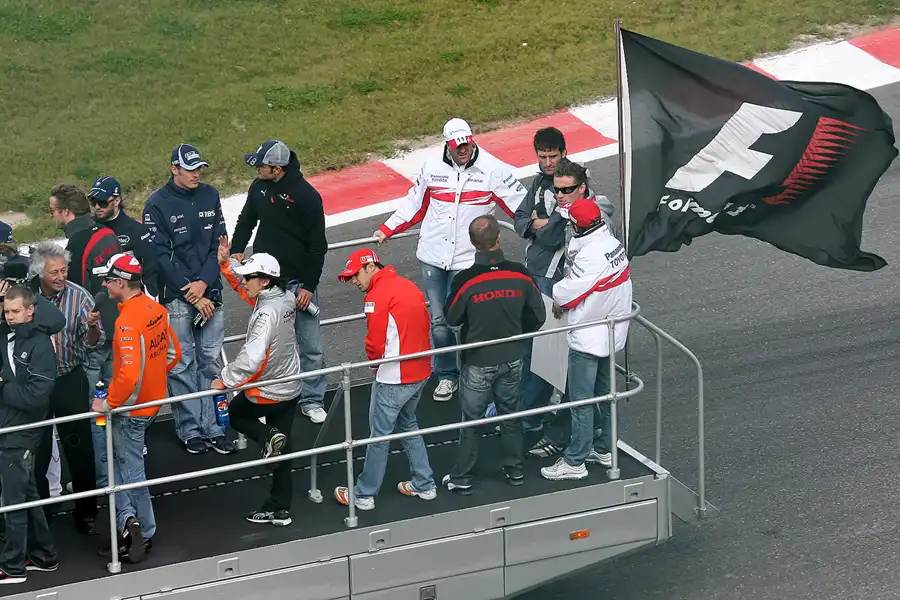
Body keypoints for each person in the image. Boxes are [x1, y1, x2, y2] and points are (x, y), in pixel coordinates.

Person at [373, 118, 528, 403]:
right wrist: (387, 228)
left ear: (472, 140)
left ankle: (475, 373)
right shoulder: (432, 168)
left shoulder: (492, 169)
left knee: (470, 319)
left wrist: (539, 228)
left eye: (467, 144)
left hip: (467, 261)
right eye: (458, 146)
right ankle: (447, 375)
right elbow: (414, 205)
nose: (463, 150)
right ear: (448, 144)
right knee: (439, 321)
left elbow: (521, 204)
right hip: (432, 257)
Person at [441, 216, 546, 493]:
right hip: (512, 357)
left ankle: (462, 476)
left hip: (477, 360)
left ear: (473, 244)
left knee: (471, 420)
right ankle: (515, 470)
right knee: (510, 415)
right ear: (499, 238)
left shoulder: (465, 280)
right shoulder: (520, 274)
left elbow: (451, 318)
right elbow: (539, 315)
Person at [143, 144, 235, 455]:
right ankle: (190, 429)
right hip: (178, 297)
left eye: (199, 168)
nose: (196, 173)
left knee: (210, 362)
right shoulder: (155, 204)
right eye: (190, 168)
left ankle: (214, 426)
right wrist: (190, 290)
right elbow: (160, 257)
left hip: (210, 291)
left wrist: (204, 284)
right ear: (174, 169)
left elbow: (218, 246)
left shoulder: (211, 194)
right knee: (181, 365)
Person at [230, 140, 328, 425]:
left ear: (278, 168)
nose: (257, 168)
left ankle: (313, 399)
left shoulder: (307, 196)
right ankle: (265, 400)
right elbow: (246, 219)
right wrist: (238, 247)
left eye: (261, 165)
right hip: (267, 284)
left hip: (300, 283)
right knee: (266, 345)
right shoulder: (258, 187)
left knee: (310, 346)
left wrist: (309, 285)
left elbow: (318, 245)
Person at [92, 254, 180, 563]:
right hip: (153, 403)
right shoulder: (156, 309)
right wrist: (153, 381)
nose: (105, 285)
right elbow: (173, 353)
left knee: (130, 472)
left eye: (108, 280)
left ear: (119, 283)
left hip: (131, 410)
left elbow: (128, 375)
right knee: (129, 466)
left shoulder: (127, 322)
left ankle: (144, 532)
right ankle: (131, 526)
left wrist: (107, 404)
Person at [333, 248, 436, 511]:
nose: (354, 281)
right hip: (421, 371)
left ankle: (364, 494)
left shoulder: (377, 296)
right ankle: (425, 485)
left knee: (379, 436)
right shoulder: (407, 285)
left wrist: (375, 366)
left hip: (394, 376)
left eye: (355, 275)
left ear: (370, 267)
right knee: (409, 425)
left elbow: (375, 343)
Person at [539, 199, 632, 481]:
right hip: (611, 331)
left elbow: (566, 293)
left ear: (577, 225)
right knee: (607, 396)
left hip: (588, 337)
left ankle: (575, 460)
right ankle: (604, 448)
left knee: (581, 402)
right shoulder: (611, 242)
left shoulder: (590, 255)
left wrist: (557, 294)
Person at [212, 240, 301, 526]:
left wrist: (225, 380)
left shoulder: (265, 313)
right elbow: (243, 287)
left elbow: (251, 360)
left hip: (267, 388)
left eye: (249, 277)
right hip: (292, 383)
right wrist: (227, 266)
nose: (244, 281)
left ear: (263, 280)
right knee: (283, 447)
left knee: (235, 414)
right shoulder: (283, 296)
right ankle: (280, 508)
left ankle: (266, 436)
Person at [29, 242, 102, 536]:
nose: (61, 276)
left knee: (80, 448)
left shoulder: (79, 295)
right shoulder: (25, 295)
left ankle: (86, 512)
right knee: (38, 451)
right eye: (54, 272)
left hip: (69, 377)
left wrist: (94, 326)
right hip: (35, 384)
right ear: (39, 273)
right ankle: (43, 514)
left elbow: (92, 342)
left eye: (64, 270)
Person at [0, 284, 64, 584]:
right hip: (10, 427)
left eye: (16, 311)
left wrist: (2, 387)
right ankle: (45, 555)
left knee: (14, 501)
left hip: (23, 431)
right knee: (26, 494)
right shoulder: (8, 338)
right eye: (7, 311)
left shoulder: (40, 345)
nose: (10, 317)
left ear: (30, 310)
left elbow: (36, 396)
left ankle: (13, 566)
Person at [48, 184, 121, 447]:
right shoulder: (107, 233)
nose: (52, 216)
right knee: (118, 405)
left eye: (53, 210)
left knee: (96, 412)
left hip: (94, 337)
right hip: (118, 329)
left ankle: (102, 479)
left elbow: (72, 295)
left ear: (66, 212)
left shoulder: (76, 244)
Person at [89, 176, 160, 299]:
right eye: (93, 202)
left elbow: (150, 271)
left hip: (128, 299)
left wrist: (151, 303)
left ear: (116, 201)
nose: (97, 207)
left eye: (102, 202)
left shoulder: (136, 230)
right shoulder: (88, 228)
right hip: (96, 298)